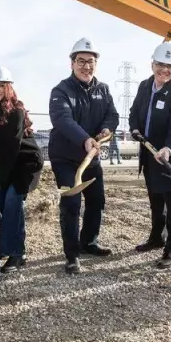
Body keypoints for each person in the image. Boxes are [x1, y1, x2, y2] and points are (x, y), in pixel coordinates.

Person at [48, 37, 119, 274]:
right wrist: (85, 139)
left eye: (91, 61)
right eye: (81, 61)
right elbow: (62, 119)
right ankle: (72, 255)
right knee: (71, 203)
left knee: (96, 201)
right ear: (72, 63)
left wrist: (107, 129)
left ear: (96, 64)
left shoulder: (103, 89)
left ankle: (88, 242)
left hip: (91, 158)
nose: (86, 66)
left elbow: (112, 115)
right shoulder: (61, 91)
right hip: (66, 158)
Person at [129, 41, 171, 268]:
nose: (164, 70)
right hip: (149, 153)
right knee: (155, 199)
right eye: (160, 65)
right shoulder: (145, 86)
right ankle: (156, 238)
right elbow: (134, 112)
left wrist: (169, 147)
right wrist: (134, 128)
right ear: (152, 64)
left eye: (169, 66)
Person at [0, 65, 44, 274]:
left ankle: (16, 254)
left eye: (2, 85)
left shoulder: (17, 111)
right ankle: (10, 248)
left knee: (11, 202)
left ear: (9, 87)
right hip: (7, 164)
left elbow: (11, 148)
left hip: (26, 163)